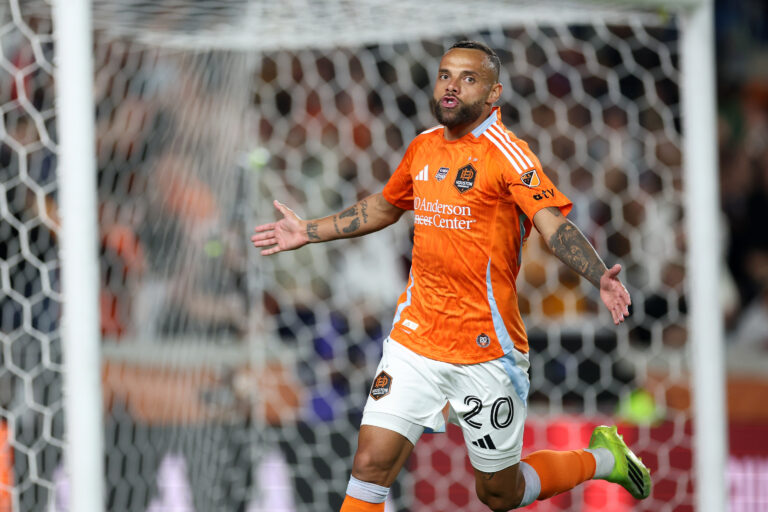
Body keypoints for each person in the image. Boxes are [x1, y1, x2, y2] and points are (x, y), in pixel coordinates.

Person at [251, 40, 651, 511]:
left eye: (468, 78)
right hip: (416, 338)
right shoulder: (423, 147)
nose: (451, 86)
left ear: (494, 93)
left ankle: (603, 458)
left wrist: (599, 275)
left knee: (500, 493)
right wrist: (308, 230)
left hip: (485, 348)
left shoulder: (509, 155)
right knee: (370, 463)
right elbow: (386, 206)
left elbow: (552, 225)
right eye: (445, 75)